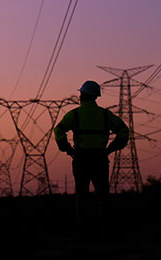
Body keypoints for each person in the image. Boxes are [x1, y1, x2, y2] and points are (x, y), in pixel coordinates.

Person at [54, 80, 129, 239]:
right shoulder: (105, 115)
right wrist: (111, 148)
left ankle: (83, 233)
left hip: (81, 159)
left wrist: (67, 148)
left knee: (82, 197)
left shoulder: (74, 114)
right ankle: (106, 233)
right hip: (100, 159)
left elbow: (58, 130)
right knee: (103, 198)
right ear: (96, 97)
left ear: (81, 95)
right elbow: (123, 131)